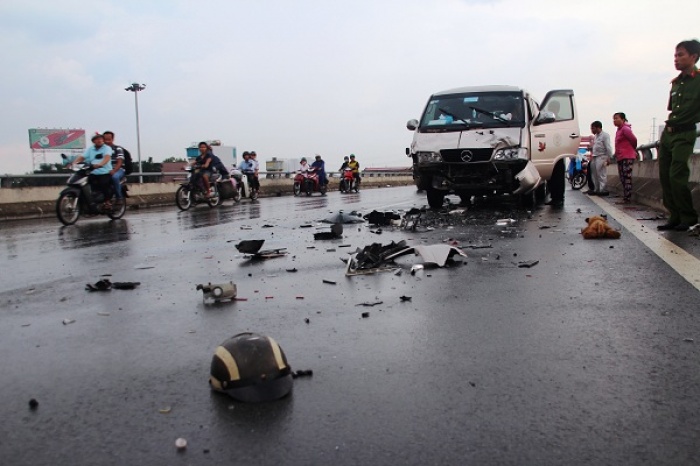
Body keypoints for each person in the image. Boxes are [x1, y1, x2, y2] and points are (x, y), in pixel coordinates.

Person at [657, 39, 700, 231]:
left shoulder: (698, 80)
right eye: (675, 55)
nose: (676, 59)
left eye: (680, 55)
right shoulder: (675, 84)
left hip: (685, 133)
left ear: (694, 57)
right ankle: (674, 215)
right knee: (665, 176)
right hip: (668, 134)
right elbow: (672, 110)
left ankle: (688, 217)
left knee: (677, 175)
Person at [72, 133, 113, 206]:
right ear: (93, 141)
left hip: (104, 172)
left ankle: (107, 202)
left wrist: (101, 164)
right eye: (97, 139)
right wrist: (74, 163)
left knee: (104, 184)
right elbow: (82, 157)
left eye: (100, 138)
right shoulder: (91, 149)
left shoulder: (107, 148)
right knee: (84, 184)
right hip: (92, 172)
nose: (99, 140)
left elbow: (107, 157)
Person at [612, 113, 638, 204]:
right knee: (622, 177)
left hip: (627, 156)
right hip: (621, 157)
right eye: (613, 119)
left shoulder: (625, 129)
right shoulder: (618, 130)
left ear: (623, 119)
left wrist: (632, 149)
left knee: (627, 177)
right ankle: (626, 197)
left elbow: (634, 140)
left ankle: (627, 198)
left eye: (616, 118)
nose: (614, 120)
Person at [588, 121, 613, 196]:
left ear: (598, 127)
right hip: (595, 156)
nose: (592, 130)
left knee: (601, 174)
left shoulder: (605, 136)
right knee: (595, 174)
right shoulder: (596, 136)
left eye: (593, 128)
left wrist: (609, 157)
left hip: (602, 156)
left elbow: (608, 147)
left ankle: (602, 189)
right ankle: (597, 189)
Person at [103, 131, 126, 204]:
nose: (106, 142)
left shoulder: (118, 149)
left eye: (108, 139)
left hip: (118, 170)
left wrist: (114, 170)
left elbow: (120, 161)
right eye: (105, 140)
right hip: (105, 170)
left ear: (112, 139)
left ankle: (119, 197)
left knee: (114, 177)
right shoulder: (101, 150)